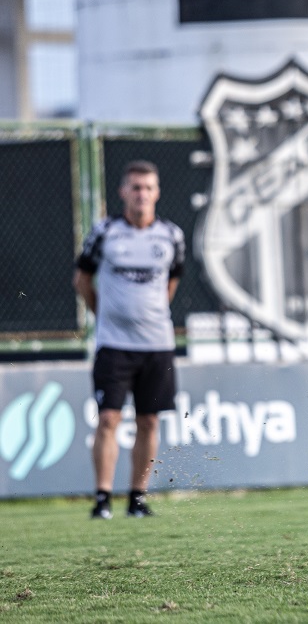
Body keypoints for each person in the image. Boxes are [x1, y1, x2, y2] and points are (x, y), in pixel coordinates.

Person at [74, 160, 185, 520]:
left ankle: (137, 498)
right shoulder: (105, 232)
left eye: (147, 188)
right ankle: (102, 498)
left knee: (149, 421)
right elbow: (82, 280)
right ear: (123, 192)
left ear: (156, 193)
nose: (141, 194)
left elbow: (172, 281)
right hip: (114, 345)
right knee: (108, 418)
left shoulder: (171, 235)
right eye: (135, 187)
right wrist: (106, 315)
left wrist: (148, 313)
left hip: (157, 345)